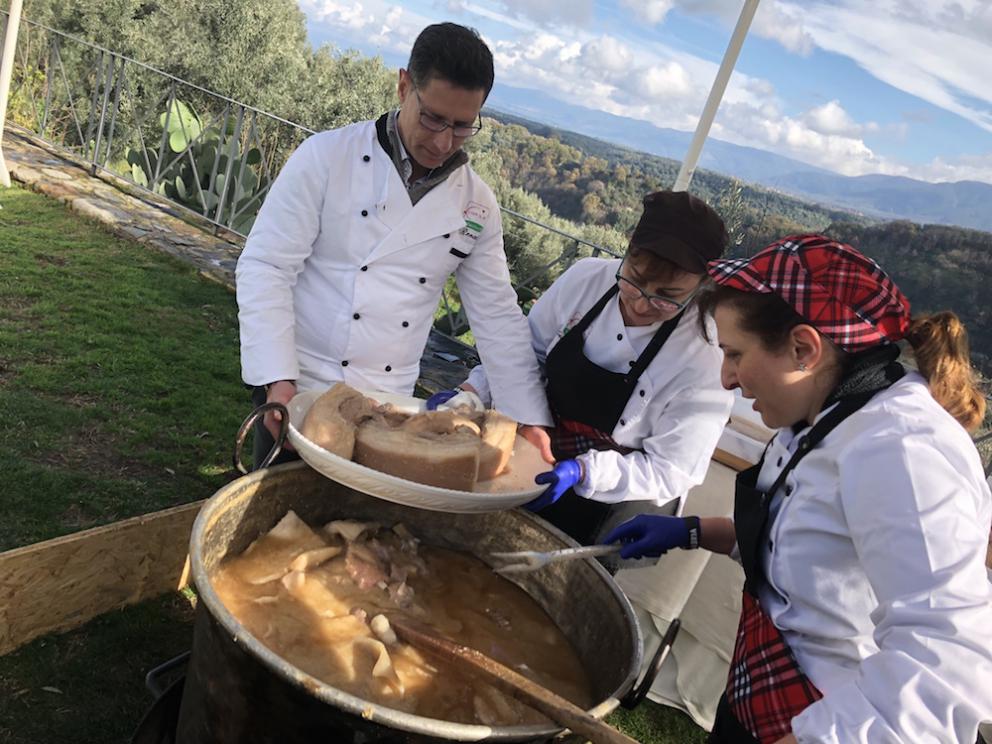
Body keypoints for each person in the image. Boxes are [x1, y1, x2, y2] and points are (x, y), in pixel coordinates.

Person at [604, 234, 992, 743]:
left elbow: (950, 661)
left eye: (734, 354)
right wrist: (693, 531)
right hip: (762, 697)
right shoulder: (821, 416)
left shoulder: (904, 451)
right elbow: (808, 547)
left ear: (803, 348)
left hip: (831, 723)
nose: (726, 379)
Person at [235, 22, 552, 468]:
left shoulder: (477, 204)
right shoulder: (326, 157)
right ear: (404, 86)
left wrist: (529, 419)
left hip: (388, 408)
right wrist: (276, 377)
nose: (443, 141)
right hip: (300, 385)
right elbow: (266, 267)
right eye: (432, 118)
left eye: (463, 126)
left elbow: (498, 317)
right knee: (275, 503)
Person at [451, 191, 735, 544]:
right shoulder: (586, 279)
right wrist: (473, 392)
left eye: (667, 296)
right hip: (531, 451)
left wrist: (584, 471)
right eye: (633, 279)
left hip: (613, 501)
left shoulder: (706, 357)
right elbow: (524, 354)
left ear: (703, 284)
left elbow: (672, 470)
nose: (641, 305)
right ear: (627, 250)